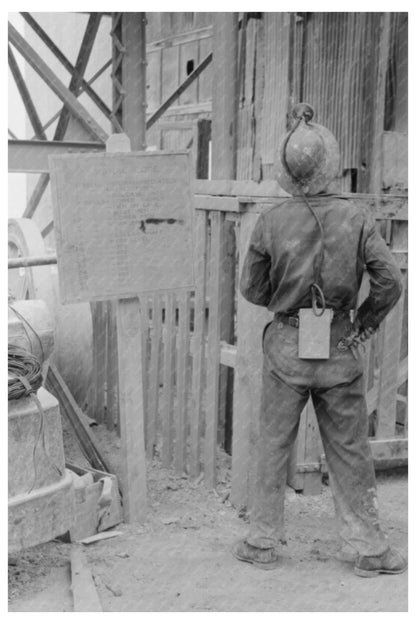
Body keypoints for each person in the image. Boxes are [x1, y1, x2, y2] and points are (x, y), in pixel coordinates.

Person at [232, 103, 407, 577]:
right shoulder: (357, 218)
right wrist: (364, 324)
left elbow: (251, 288)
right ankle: (368, 549)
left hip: (286, 346)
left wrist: (285, 301)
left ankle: (262, 541)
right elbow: (390, 280)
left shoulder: (270, 221)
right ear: (330, 164)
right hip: (341, 346)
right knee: (350, 448)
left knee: (273, 443)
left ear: (289, 171)